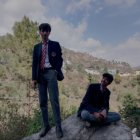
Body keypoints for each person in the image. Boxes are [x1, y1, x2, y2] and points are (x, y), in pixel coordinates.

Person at [32, 23, 64, 138]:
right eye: (42, 31)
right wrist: (33, 79)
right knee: (42, 102)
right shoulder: (36, 47)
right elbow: (34, 63)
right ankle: (46, 126)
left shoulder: (55, 44)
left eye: (46, 31)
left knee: (54, 100)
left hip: (51, 72)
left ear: (49, 32)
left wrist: (56, 70)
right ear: (40, 32)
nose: (44, 33)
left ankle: (58, 127)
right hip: (40, 75)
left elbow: (60, 59)